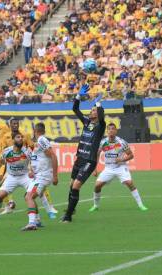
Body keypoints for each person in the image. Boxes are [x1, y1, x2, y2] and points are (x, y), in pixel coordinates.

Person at [61, 85, 106, 223]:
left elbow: (102, 115)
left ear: (98, 114)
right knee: (70, 185)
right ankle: (71, 209)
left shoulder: (101, 126)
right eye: (91, 110)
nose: (91, 112)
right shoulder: (87, 122)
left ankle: (68, 216)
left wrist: (98, 103)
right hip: (79, 158)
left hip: (89, 161)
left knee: (76, 186)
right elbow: (75, 109)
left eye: (94, 110)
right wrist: (78, 96)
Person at [1, 118, 58, 214]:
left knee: (32, 193)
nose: (15, 125)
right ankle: (8, 205)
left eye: (16, 123)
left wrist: (31, 167)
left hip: (25, 165)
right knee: (2, 183)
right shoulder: (5, 136)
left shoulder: (26, 135)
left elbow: (33, 149)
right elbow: (4, 152)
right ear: (10, 125)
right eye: (13, 124)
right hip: (11, 164)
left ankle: (46, 210)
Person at [89, 123, 148, 212]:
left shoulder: (121, 142)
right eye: (109, 129)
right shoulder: (102, 142)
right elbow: (96, 155)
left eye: (113, 129)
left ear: (116, 131)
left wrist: (121, 159)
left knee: (130, 183)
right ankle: (95, 206)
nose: (111, 130)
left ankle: (141, 205)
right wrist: (94, 169)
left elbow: (131, 155)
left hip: (120, 167)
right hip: (108, 168)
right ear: (107, 131)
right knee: (97, 186)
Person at [0, 132, 32, 221]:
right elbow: (0, 161)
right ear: (13, 140)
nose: (21, 139)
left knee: (31, 196)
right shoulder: (7, 151)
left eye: (22, 137)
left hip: (25, 176)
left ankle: (37, 218)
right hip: (12, 177)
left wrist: (31, 170)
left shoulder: (27, 151)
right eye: (18, 137)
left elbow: (33, 162)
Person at [23, 123, 59, 231]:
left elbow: (52, 155)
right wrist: (32, 170)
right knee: (28, 196)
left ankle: (32, 223)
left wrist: (55, 176)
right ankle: (37, 220)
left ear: (35, 131)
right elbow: (40, 159)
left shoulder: (41, 140)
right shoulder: (36, 145)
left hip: (43, 176)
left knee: (29, 197)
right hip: (38, 176)